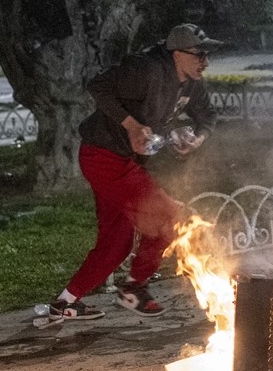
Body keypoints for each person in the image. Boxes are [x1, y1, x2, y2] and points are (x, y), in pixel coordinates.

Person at [47, 23, 221, 321]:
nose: (205, 61)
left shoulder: (191, 83)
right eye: (200, 54)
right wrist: (132, 126)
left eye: (208, 55)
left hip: (124, 162)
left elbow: (208, 116)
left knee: (117, 243)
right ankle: (134, 288)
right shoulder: (146, 69)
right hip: (104, 156)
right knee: (171, 216)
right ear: (177, 54)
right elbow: (98, 86)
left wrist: (197, 139)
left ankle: (64, 303)